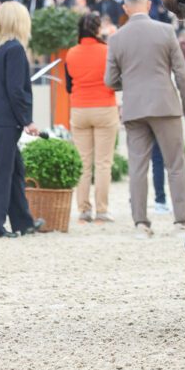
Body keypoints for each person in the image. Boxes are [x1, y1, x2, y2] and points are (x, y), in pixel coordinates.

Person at [104, 0, 185, 238]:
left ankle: (141, 224)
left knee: (137, 168)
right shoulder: (166, 31)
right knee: (175, 165)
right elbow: (181, 74)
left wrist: (131, 84)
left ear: (125, 8)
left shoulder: (116, 38)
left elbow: (110, 80)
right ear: (148, 5)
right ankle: (180, 222)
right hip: (165, 104)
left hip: (134, 107)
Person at [0, 1, 45, 238]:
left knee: (15, 169)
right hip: (5, 121)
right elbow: (16, 90)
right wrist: (27, 120)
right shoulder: (15, 49)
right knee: (1, 173)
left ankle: (23, 222)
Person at [64, 12, 119, 224]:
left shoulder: (71, 53)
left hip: (79, 108)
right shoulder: (107, 51)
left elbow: (69, 86)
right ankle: (102, 211)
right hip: (104, 106)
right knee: (103, 163)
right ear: (98, 29)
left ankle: (84, 210)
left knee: (84, 163)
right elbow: (114, 79)